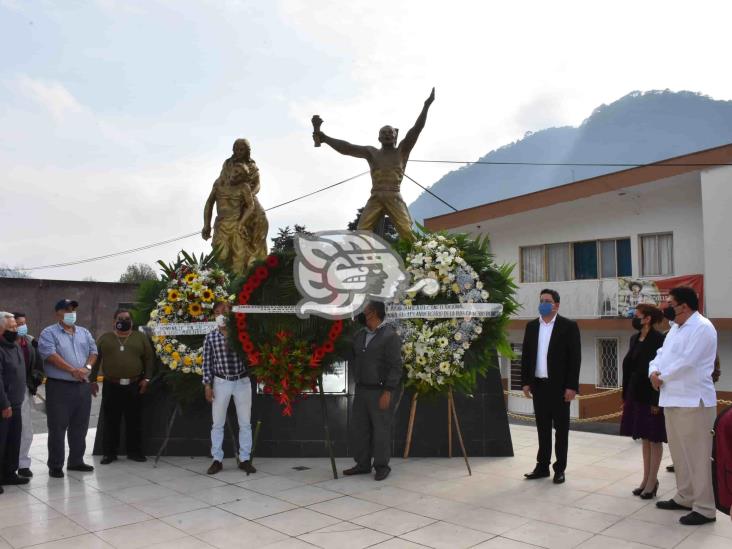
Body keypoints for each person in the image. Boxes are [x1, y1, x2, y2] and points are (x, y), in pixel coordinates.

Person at [314, 88, 435, 242]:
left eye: (390, 133)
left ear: (395, 136)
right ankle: (366, 262)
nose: (387, 135)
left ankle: (422, 261)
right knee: (362, 231)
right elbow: (347, 148)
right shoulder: (372, 152)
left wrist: (426, 106)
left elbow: (416, 130)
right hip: (376, 196)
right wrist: (325, 138)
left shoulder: (402, 151)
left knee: (406, 230)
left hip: (394, 196)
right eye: (383, 133)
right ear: (379, 138)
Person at [650, 286, 718, 525]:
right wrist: (653, 372)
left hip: (693, 401)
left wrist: (662, 376)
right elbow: (660, 355)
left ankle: (705, 508)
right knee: (679, 454)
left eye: (670, 303)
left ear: (684, 306)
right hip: (672, 398)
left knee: (698, 456)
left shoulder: (702, 328)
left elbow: (687, 362)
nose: (666, 307)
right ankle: (686, 496)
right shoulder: (675, 329)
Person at [521, 289, 581, 484]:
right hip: (539, 386)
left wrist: (572, 387)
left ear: (556, 305)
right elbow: (526, 357)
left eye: (547, 301)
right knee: (542, 429)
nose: (543, 304)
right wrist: (525, 382)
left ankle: (560, 469)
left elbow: (575, 359)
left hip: (560, 388)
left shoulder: (568, 327)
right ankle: (542, 466)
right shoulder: (531, 327)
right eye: (541, 300)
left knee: (561, 430)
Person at [343, 300, 403, 481]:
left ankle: (382, 466)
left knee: (381, 430)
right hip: (362, 390)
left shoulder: (389, 336)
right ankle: (362, 464)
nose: (362, 312)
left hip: (380, 391)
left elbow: (396, 366)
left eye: (365, 309)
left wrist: (388, 390)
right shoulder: (360, 334)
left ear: (374, 312)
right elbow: (350, 355)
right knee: (360, 429)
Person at [38, 299, 97, 478]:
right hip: (59, 387)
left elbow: (93, 352)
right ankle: (55, 465)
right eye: (66, 310)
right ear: (58, 313)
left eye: (73, 310)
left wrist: (86, 369)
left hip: (82, 386)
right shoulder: (48, 333)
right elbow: (49, 355)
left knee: (80, 426)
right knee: (57, 427)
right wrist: (72, 371)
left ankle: (76, 461)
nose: (71, 313)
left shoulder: (84, 332)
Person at [91, 309, 154, 465]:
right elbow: (95, 359)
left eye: (127, 319)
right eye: (120, 318)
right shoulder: (105, 338)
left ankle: (135, 452)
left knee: (134, 420)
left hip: (135, 384)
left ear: (131, 322)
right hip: (111, 385)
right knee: (111, 421)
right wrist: (91, 380)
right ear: (114, 321)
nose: (124, 321)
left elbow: (149, 358)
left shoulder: (140, 337)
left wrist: (147, 379)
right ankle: (109, 454)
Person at [202, 301, 256, 475]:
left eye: (224, 311)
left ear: (231, 314)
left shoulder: (242, 336)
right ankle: (217, 459)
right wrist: (207, 386)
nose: (221, 315)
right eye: (217, 312)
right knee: (217, 423)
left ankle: (245, 459)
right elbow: (207, 363)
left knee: (245, 423)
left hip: (242, 382)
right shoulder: (210, 337)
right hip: (221, 383)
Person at [620, 303, 666, 499]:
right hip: (635, 394)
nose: (634, 317)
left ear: (647, 319)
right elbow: (629, 368)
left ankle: (652, 481)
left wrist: (657, 401)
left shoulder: (659, 339)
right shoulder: (634, 339)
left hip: (651, 395)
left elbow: (660, 369)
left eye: (637, 315)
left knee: (654, 438)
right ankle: (646, 479)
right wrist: (625, 396)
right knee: (644, 439)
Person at [202, 139, 269, 274]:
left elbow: (257, 185)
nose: (238, 152)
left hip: (248, 194)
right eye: (236, 149)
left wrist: (249, 195)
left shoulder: (252, 167)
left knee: (261, 217)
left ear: (247, 151)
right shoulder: (228, 164)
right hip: (229, 197)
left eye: (241, 150)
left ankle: (256, 256)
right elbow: (220, 183)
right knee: (223, 251)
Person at [0, 312, 29, 489]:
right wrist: (5, 404)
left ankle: (9, 473)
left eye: (15, 326)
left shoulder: (15, 345)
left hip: (17, 402)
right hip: (4, 405)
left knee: (13, 441)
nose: (14, 330)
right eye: (10, 327)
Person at [13, 312, 43, 478]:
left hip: (25, 389)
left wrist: (36, 378)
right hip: (8, 391)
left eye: (24, 323)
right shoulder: (5, 343)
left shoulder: (30, 342)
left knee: (26, 430)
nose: (21, 326)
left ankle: (23, 464)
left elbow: (38, 364)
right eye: (18, 324)